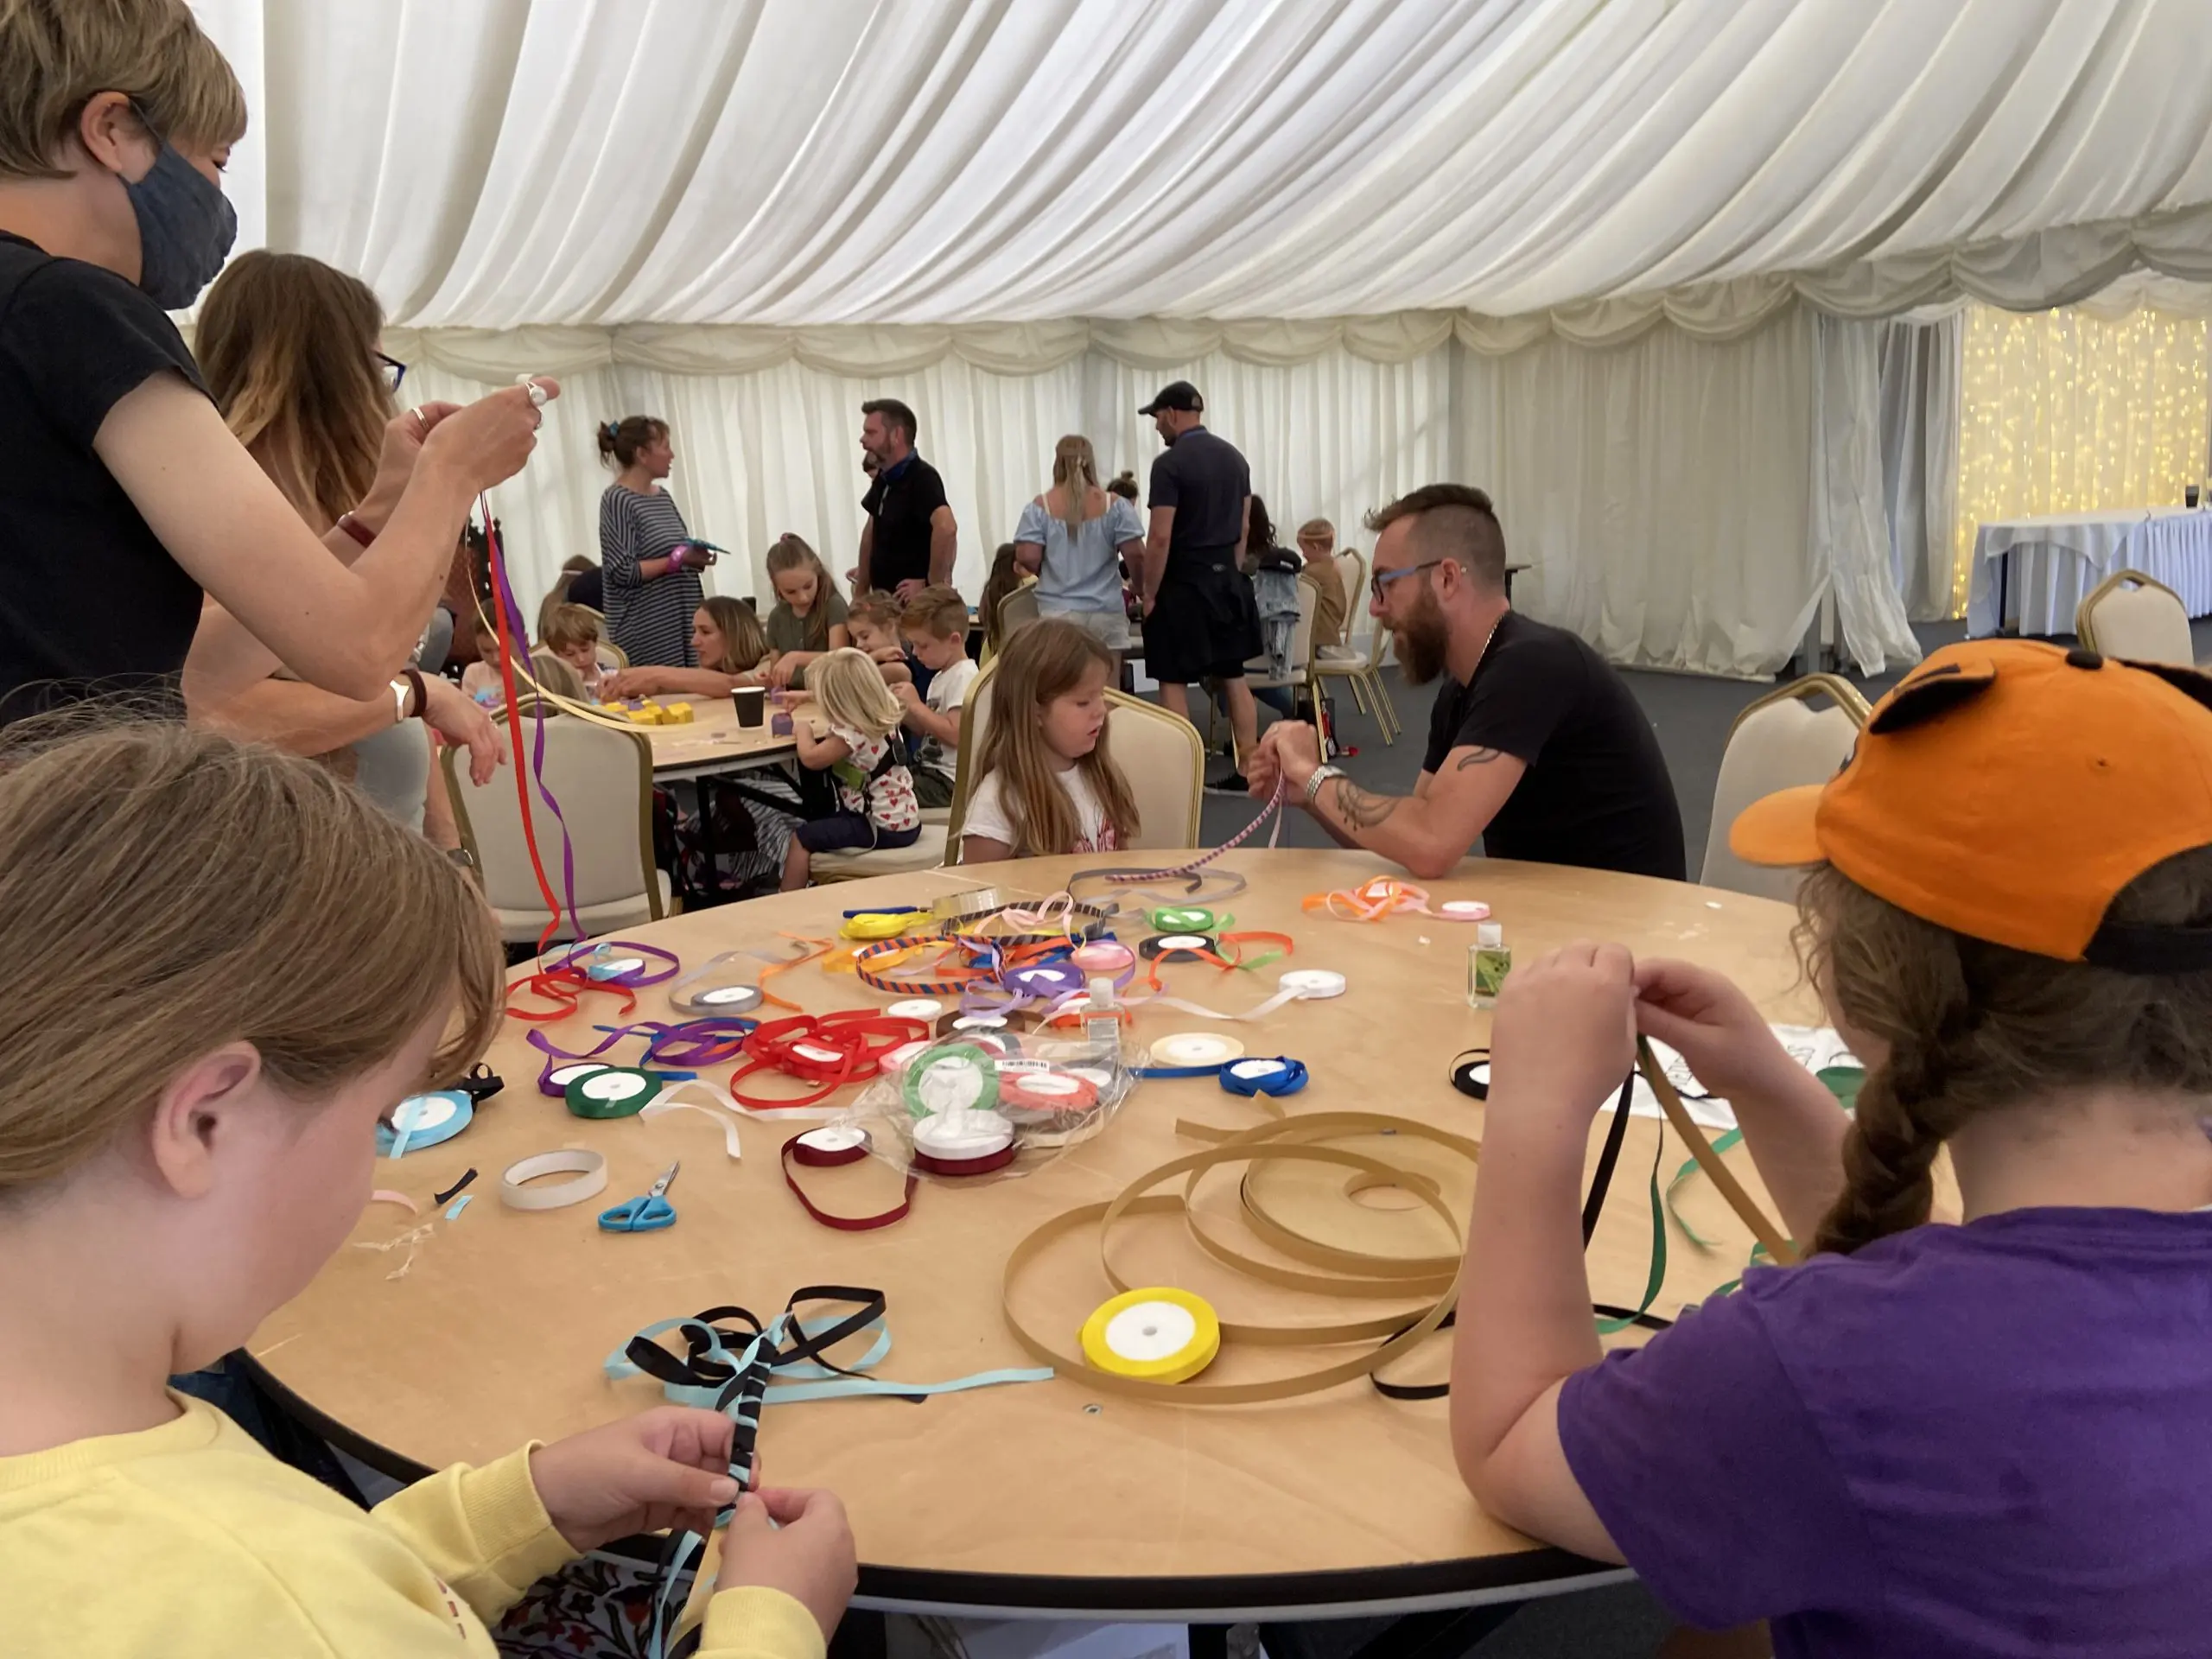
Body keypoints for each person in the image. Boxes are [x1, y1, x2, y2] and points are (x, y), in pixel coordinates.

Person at [0, 717, 856, 1657]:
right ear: (206, 1121)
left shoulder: (113, 1493)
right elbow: (298, 1604)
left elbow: (322, 1594)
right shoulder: (245, 1587)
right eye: (380, 1122)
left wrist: (510, 1512)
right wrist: (774, 1624)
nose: (378, 1179)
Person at [1452, 640, 2212, 1656]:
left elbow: (1510, 1444)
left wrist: (1534, 1114)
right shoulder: (2000, 1319)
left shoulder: (1819, 1371)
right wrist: (1767, 1084)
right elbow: (1994, 1305)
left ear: (1866, 982)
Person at [0, 1, 552, 722]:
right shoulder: (74, 311)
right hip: (72, 821)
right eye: (214, 160)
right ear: (112, 130)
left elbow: (182, 679)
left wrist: (370, 519)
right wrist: (455, 470)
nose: (218, 195)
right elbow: (358, 650)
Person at [190, 249, 504, 837]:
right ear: (334, 371)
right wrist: (413, 695)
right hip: (295, 871)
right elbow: (216, 711)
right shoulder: (212, 514)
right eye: (375, 363)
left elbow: (402, 682)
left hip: (394, 854)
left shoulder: (349, 507)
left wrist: (452, 856)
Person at [1248, 484, 1684, 882]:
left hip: (1626, 936)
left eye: (1384, 585)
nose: (1376, 610)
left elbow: (1431, 842)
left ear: (1448, 578)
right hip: (1563, 920)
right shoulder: (1464, 686)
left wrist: (1313, 772)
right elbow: (1408, 838)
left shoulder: (1532, 666)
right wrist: (1308, 793)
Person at [1133, 381, 1262, 792]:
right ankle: (1251, 770)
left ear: (1172, 414)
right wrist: (1232, 570)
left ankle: (1182, 775)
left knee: (1172, 679)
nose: (1156, 428)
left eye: (1156, 419)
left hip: (1183, 584)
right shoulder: (1235, 459)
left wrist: (1148, 593)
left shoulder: (1169, 465)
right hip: (1226, 577)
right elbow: (1243, 526)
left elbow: (1160, 538)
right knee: (1233, 675)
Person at [959, 620, 1139, 863]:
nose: (1101, 711)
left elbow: (1121, 865)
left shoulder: (1102, 776)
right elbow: (979, 892)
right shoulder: (999, 802)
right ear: (1034, 712)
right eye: (1083, 702)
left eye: (1101, 695)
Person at [782, 648, 922, 888]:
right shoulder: (881, 714)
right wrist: (808, 696)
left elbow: (812, 759)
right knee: (825, 820)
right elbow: (851, 690)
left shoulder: (850, 734)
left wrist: (802, 731)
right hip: (905, 820)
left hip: (878, 826)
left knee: (802, 838)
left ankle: (784, 901)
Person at [597, 416, 712, 668]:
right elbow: (622, 570)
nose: (671, 454)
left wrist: (693, 557)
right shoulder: (617, 500)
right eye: (665, 446)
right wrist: (677, 559)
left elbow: (674, 550)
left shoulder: (663, 497)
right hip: (649, 630)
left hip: (682, 619)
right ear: (642, 454)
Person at [1013, 434, 1142, 655]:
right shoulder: (1116, 506)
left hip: (1058, 615)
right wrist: (1142, 589)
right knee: (1107, 689)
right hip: (1106, 612)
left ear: (1058, 463)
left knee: (1062, 687)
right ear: (1091, 462)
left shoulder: (1039, 507)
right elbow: (1138, 555)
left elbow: (1027, 557)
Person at [855, 398, 954, 601]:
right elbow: (870, 532)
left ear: (896, 435)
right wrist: (861, 592)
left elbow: (947, 528)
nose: (863, 440)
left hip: (914, 612)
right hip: (886, 605)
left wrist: (931, 585)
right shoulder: (884, 479)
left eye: (871, 433)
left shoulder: (922, 477)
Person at [892, 585, 980, 810]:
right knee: (883, 779)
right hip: (931, 773)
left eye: (923, 645)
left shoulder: (964, 676)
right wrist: (903, 711)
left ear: (954, 640)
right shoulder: (942, 676)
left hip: (949, 783)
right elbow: (927, 731)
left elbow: (956, 735)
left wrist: (916, 705)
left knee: (882, 791)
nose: (915, 653)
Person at [603, 596, 772, 701]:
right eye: (694, 631)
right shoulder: (709, 674)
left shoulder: (770, 663)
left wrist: (654, 674)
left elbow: (735, 685)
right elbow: (671, 686)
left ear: (736, 635)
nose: (694, 641)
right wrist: (628, 686)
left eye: (705, 632)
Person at [761, 534, 851, 691]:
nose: (802, 597)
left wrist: (795, 657)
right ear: (777, 587)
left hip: (829, 696)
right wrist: (769, 681)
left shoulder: (833, 605)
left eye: (808, 586)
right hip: (793, 697)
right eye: (791, 591)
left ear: (818, 573)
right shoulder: (777, 616)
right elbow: (776, 673)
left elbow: (840, 658)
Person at [1296, 518, 1352, 655]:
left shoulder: (1314, 572)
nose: (1303, 554)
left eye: (1304, 550)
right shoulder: (1331, 565)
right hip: (1330, 635)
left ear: (1316, 547)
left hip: (1318, 640)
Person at [846, 590, 918, 690]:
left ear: (889, 626)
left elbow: (848, 680)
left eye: (865, 636)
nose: (859, 644)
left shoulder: (899, 667)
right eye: (855, 639)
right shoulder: (877, 661)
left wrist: (873, 657)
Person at [540, 603, 611, 698]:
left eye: (585, 650)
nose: (581, 659)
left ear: (595, 642)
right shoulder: (558, 688)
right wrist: (574, 685)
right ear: (556, 654)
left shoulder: (611, 675)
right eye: (570, 654)